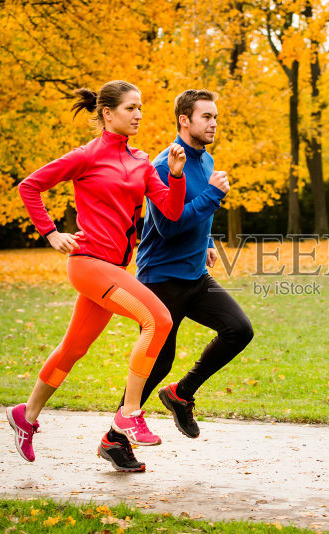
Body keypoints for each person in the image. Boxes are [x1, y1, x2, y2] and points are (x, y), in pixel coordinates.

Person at [6, 80, 187, 468]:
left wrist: (175, 175)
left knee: (73, 348)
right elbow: (30, 187)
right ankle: (129, 414)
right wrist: (51, 233)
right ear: (108, 113)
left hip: (114, 269)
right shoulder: (86, 156)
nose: (139, 115)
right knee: (158, 320)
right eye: (130, 108)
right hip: (88, 264)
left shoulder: (141, 162)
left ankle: (26, 414)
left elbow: (171, 211)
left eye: (140, 108)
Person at [97, 89, 254, 472]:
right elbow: (168, 225)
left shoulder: (206, 158)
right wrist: (214, 196)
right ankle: (114, 438)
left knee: (239, 330)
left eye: (215, 117)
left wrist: (207, 242)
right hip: (161, 279)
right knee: (157, 363)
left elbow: (196, 212)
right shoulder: (166, 165)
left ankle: (181, 395)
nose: (213, 123)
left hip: (195, 276)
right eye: (206, 117)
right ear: (184, 120)